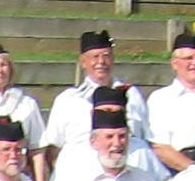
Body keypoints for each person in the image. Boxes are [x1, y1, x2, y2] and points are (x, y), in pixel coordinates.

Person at [41, 29, 141, 161]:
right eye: (95, 57)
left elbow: (143, 139)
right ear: (83, 62)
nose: (101, 62)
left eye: (106, 56)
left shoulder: (132, 95)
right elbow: (53, 148)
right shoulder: (67, 100)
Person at [140, 28, 195, 172]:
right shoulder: (161, 99)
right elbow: (160, 148)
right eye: (189, 58)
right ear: (175, 63)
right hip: (178, 172)